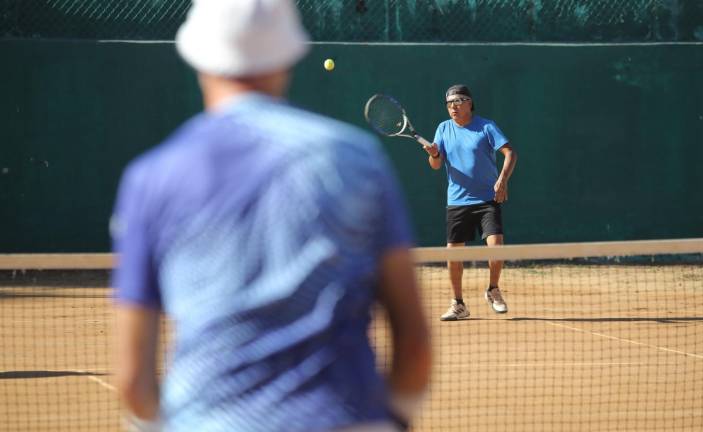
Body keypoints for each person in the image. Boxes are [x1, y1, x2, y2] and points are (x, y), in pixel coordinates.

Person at [111, 1, 431, 431]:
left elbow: (133, 381)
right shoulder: (358, 160)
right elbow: (414, 347)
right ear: (287, 57)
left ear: (197, 55)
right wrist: (391, 421)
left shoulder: (150, 178)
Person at [422, 85, 518, 321]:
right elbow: (436, 165)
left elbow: (510, 153)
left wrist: (502, 181)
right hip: (457, 201)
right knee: (453, 254)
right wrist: (434, 154)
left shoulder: (486, 126)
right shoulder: (443, 128)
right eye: (449, 103)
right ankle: (458, 304)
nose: (452, 106)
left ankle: (493, 289)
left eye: (458, 101)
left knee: (496, 245)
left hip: (488, 198)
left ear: (469, 103)